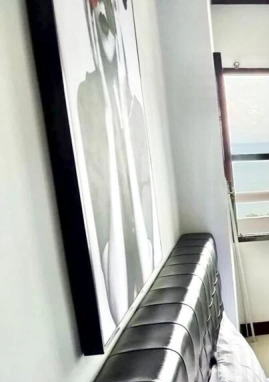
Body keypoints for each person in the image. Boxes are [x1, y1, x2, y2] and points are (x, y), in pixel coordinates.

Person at [77, 0, 155, 325]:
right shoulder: (87, 95)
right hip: (113, 225)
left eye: (109, 25)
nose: (107, 38)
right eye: (101, 26)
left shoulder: (134, 105)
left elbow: (143, 177)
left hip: (136, 225)